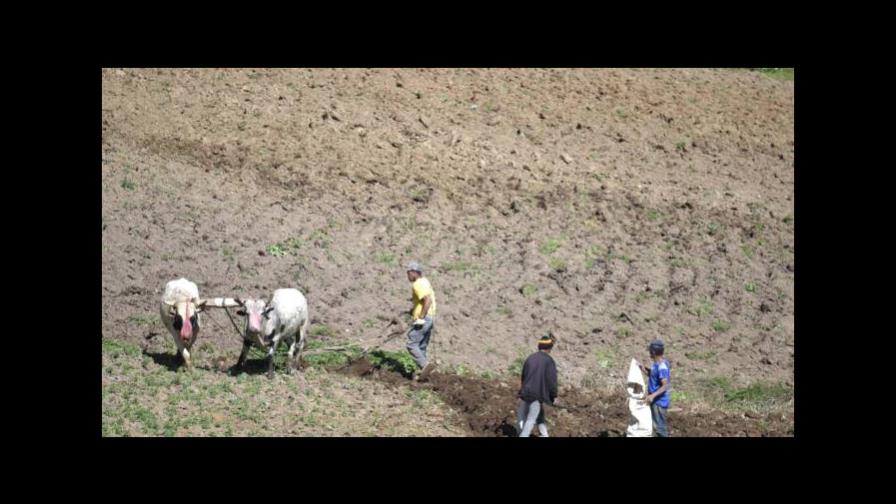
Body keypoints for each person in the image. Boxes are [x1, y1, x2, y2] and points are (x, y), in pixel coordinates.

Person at [517, 334, 558, 437]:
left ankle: (544, 434)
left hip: (526, 393)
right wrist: (553, 396)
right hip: (537, 394)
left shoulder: (530, 358)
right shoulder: (548, 361)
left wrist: (522, 390)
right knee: (531, 419)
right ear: (549, 348)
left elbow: (524, 376)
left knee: (538, 414)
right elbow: (551, 381)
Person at [404, 262, 437, 380]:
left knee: (411, 344)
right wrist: (412, 311)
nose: (407, 276)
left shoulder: (417, 284)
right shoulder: (425, 281)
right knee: (421, 346)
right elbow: (423, 301)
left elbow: (427, 301)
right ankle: (423, 375)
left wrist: (421, 317)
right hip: (431, 317)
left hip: (424, 318)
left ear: (413, 272)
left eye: (408, 273)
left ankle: (425, 367)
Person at [641, 339, 671, 437]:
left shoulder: (662, 366)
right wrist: (643, 369)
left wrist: (652, 396)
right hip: (655, 400)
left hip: (659, 402)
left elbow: (665, 385)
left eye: (650, 351)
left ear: (653, 352)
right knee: (655, 427)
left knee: (660, 429)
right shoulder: (656, 364)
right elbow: (654, 375)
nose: (649, 353)